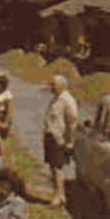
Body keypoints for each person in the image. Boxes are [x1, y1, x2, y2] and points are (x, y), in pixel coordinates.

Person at [44, 74, 79, 207]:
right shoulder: (56, 98)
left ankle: (58, 196)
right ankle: (61, 194)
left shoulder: (67, 100)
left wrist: (69, 141)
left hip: (59, 137)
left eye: (54, 85)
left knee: (57, 168)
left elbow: (73, 122)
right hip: (51, 134)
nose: (51, 87)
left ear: (62, 86)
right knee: (52, 167)